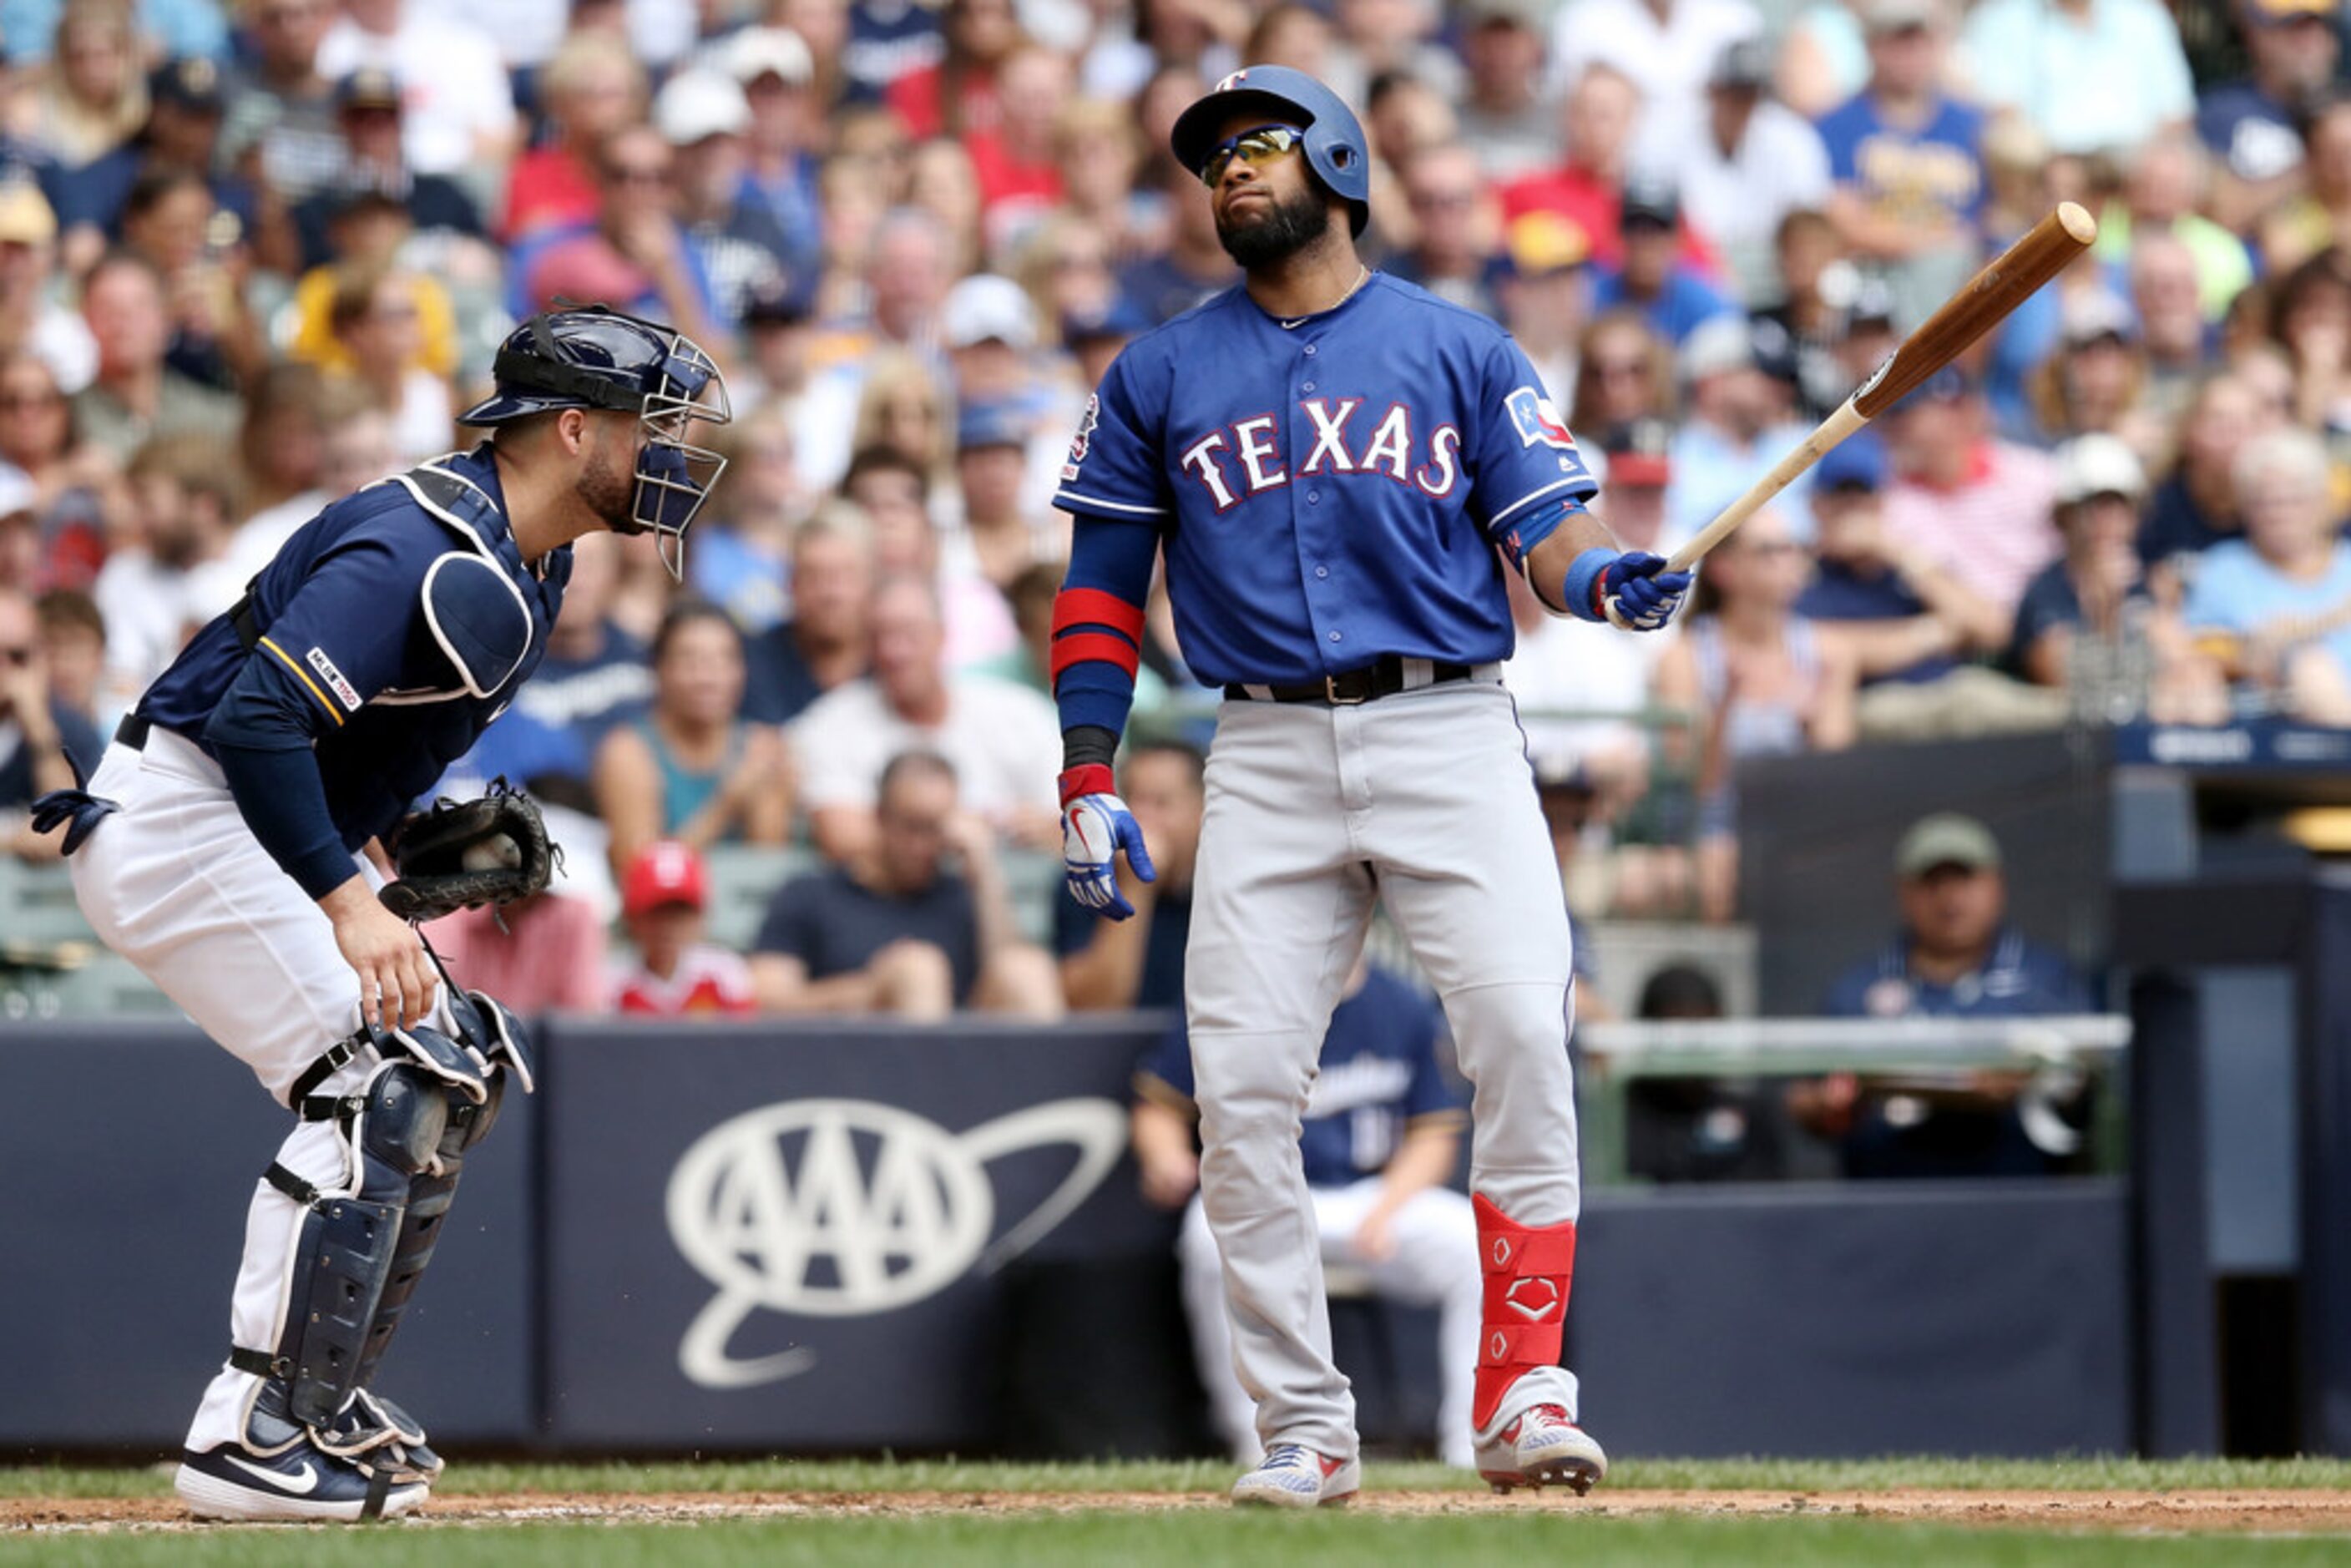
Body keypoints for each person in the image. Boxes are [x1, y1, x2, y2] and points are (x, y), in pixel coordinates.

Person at [1051, 68, 1693, 1505]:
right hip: (1264, 745)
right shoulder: (1156, 370)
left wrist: (1606, 581)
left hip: (1445, 725)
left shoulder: (1456, 348)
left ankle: (1525, 1390)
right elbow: (1096, 590)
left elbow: (1548, 533)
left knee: (1527, 1026)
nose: (1230, 172)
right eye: (1212, 158)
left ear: (1337, 161)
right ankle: (1303, 1422)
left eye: (1257, 146)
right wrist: (1088, 767)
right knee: (1241, 1081)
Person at [28, 305, 731, 1521]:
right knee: (379, 1075)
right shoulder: (424, 544)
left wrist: (397, 839)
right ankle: (252, 1428)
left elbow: (339, 740)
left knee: (450, 1066)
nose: (668, 453)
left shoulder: (534, 555)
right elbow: (255, 718)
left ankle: (319, 1397)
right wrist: (351, 899)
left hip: (227, 815)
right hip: (178, 814)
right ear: (574, 431)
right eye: (648, 426)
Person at [1135, 959, 1483, 1468]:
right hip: (1265, 1194)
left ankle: (1467, 1448)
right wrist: (1165, 1158)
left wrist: (1388, 1208)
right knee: (1207, 1241)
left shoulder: (1401, 1004)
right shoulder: (1235, 995)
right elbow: (1159, 1107)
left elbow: (1433, 1134)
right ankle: (1257, 1446)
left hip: (1368, 1196)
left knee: (1471, 1242)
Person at [1803, 813, 2095, 1179]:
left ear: (1996, 885)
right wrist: (1835, 1102)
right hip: (1886, 1199)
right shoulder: (1860, 987)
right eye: (1932, 881)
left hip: (2018, 1197)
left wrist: (2028, 1077)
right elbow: (1807, 1096)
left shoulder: (2046, 980)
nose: (1949, 897)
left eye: (1965, 878)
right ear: (1904, 892)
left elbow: (2085, 1084)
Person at [749, 748, 1063, 1020]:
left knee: (1027, 968)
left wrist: (984, 868)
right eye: (912, 827)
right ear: (880, 817)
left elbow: (1006, 976)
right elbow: (766, 998)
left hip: (969, 1066)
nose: (923, 846)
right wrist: (875, 990)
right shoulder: (811, 894)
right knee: (917, 969)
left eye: (936, 829)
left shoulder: (963, 897)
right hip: (851, 1063)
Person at [791, 573, 1062, 860]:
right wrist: (956, 833)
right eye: (880, 636)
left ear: (942, 635)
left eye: (910, 634)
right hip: (888, 903)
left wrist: (1044, 829)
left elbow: (1076, 820)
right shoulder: (831, 725)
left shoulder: (1019, 713)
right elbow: (843, 838)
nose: (894, 651)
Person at [592, 598, 792, 880]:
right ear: (658, 669)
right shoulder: (627, 752)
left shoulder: (762, 748)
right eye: (690, 660)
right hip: (659, 916)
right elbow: (640, 877)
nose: (708, 678)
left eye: (724, 660)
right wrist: (727, 803)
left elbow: (769, 871)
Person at [1057, 738, 1201, 1011]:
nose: (1141, 817)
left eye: (1161, 803)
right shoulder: (1086, 878)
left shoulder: (1224, 885)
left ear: (1202, 812)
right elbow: (1094, 1008)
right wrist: (1136, 885)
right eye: (1132, 800)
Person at [609, 838, 757, 1017]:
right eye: (657, 914)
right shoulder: (610, 983)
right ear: (633, 918)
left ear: (699, 918)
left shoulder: (724, 974)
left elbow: (745, 1040)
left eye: (679, 915)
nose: (667, 928)